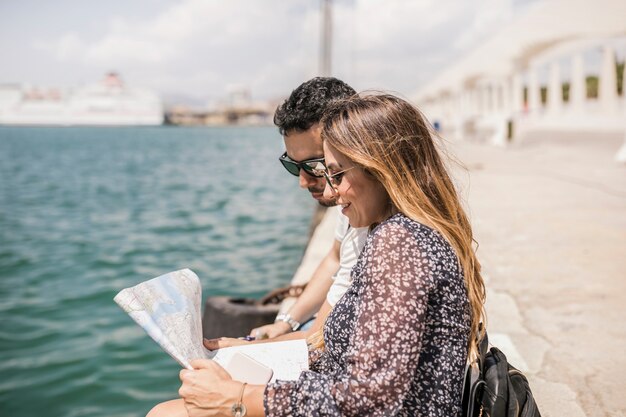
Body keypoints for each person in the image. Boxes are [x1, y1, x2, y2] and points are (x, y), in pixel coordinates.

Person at [147, 93, 486, 416]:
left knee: (166, 413)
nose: (331, 190)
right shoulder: (403, 231)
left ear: (382, 170)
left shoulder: (399, 244)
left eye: (337, 175)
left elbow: (370, 400)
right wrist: (250, 352)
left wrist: (236, 399)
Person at [223, 77, 368, 344]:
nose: (303, 182)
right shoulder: (352, 207)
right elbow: (335, 259)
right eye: (293, 166)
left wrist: (243, 348)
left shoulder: (381, 228)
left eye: (315, 166)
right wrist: (286, 321)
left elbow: (319, 340)